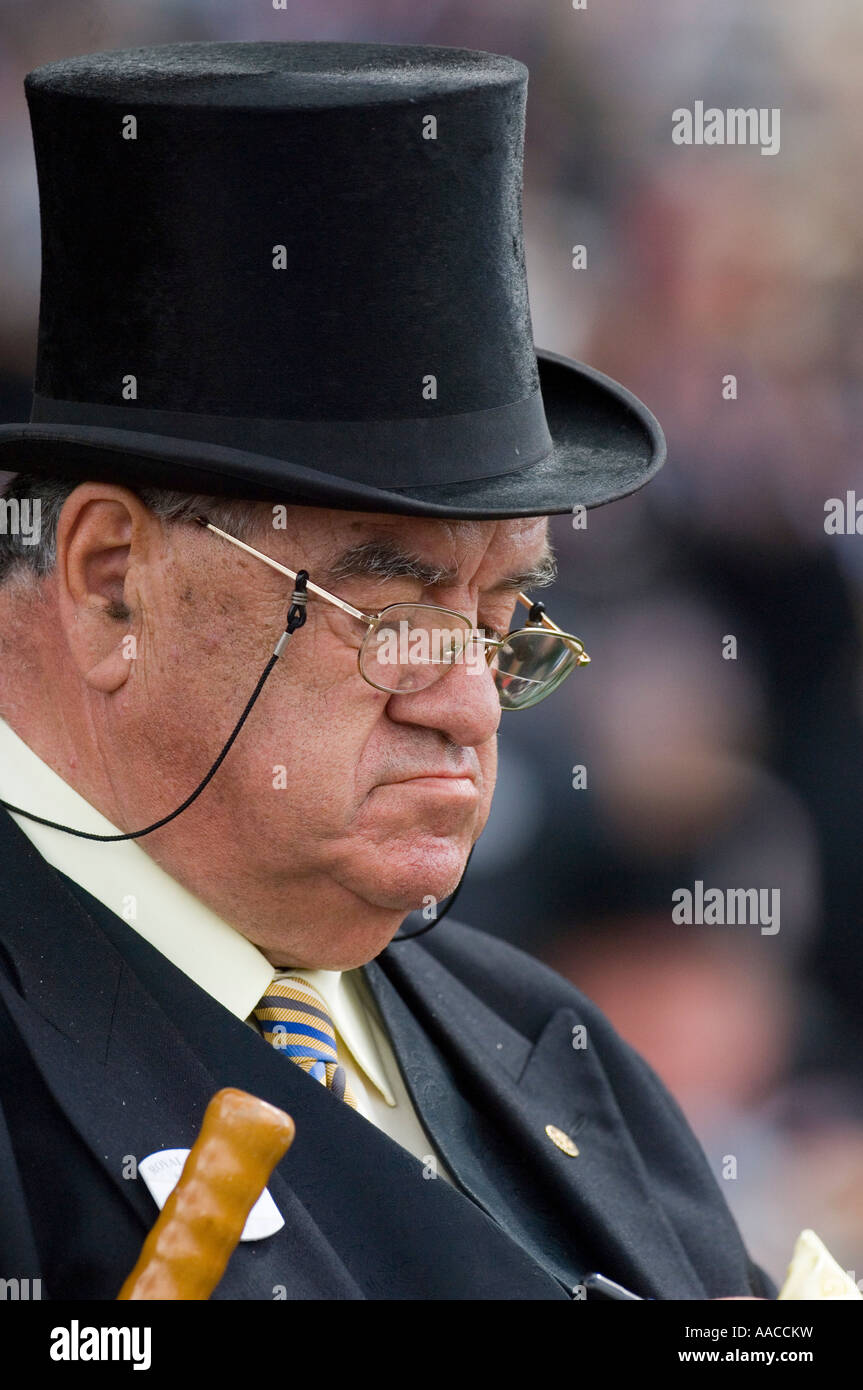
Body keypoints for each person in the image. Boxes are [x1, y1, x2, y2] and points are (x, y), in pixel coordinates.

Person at [0, 39, 774, 1300]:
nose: (470, 701)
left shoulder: (543, 1036)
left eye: (503, 610)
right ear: (107, 581)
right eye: (388, 602)